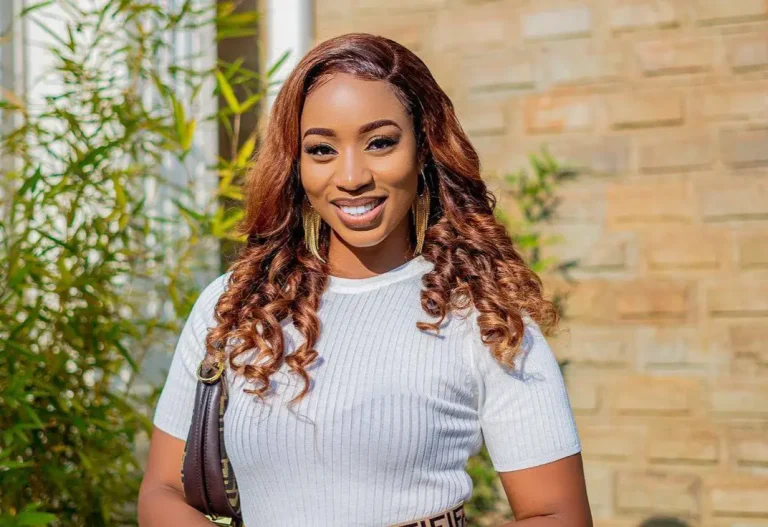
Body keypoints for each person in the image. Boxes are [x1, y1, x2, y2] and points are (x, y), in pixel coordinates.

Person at [138, 32, 592, 526]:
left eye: (380, 143)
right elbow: (163, 491)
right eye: (321, 149)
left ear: (423, 149)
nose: (352, 176)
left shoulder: (485, 317)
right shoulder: (235, 305)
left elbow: (558, 515)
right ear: (295, 164)